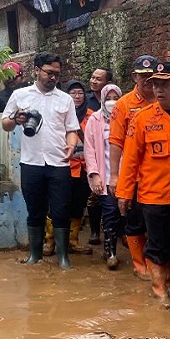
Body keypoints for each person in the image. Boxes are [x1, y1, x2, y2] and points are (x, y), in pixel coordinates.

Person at [117, 61, 170, 309]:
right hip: (153, 195)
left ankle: (168, 279)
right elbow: (130, 159)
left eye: (165, 84)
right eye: (155, 84)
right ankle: (158, 288)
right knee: (156, 244)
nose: (158, 89)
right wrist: (124, 193)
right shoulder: (142, 119)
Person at [109, 55, 170, 286]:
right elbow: (116, 142)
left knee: (168, 228)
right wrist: (115, 176)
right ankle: (139, 264)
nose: (147, 81)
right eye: (143, 77)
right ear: (134, 77)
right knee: (135, 220)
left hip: (166, 178)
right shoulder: (124, 105)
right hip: (134, 172)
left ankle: (168, 270)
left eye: (151, 77)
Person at [1, 52, 80, 270]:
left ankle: (63, 257)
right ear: (37, 70)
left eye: (57, 74)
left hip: (59, 163)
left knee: (61, 210)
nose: (53, 77)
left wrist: (71, 145)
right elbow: (5, 124)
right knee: (35, 210)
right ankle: (35, 255)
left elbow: (72, 130)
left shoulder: (65, 100)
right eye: (49, 73)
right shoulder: (20, 95)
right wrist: (16, 120)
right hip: (31, 163)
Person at [84, 83, 123, 270]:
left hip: (126, 174)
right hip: (104, 174)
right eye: (108, 98)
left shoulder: (126, 118)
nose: (112, 102)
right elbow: (89, 149)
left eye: (116, 98)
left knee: (126, 214)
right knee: (110, 212)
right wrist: (94, 174)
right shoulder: (95, 120)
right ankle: (111, 251)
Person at [65, 80, 94, 255]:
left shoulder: (92, 116)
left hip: (84, 168)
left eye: (80, 93)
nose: (77, 96)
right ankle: (51, 240)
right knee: (59, 204)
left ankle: (73, 240)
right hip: (64, 167)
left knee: (79, 204)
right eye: (73, 93)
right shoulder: (61, 114)